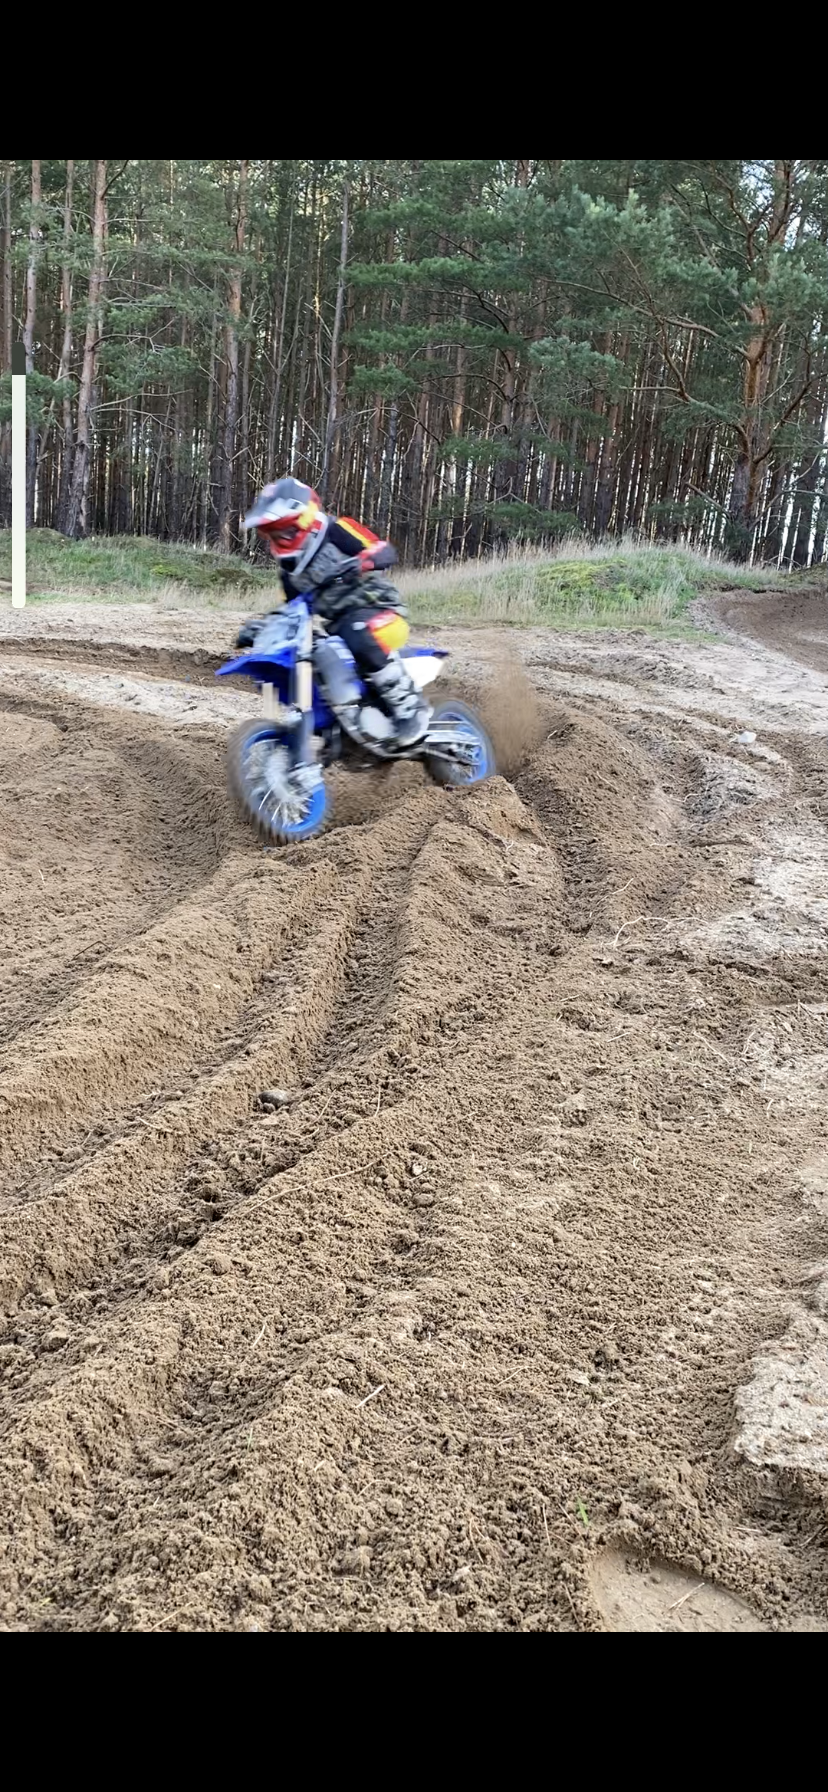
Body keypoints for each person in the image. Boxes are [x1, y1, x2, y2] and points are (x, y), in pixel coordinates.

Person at [239, 477, 430, 748]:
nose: (278, 538)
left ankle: (410, 708)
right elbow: (291, 610)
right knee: (310, 651)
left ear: (303, 520)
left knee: (357, 631)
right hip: (338, 625)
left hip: (379, 610)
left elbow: (383, 550)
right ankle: (334, 720)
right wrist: (263, 628)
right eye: (272, 533)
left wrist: (366, 560)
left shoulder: (337, 531)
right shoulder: (290, 572)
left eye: (282, 530)